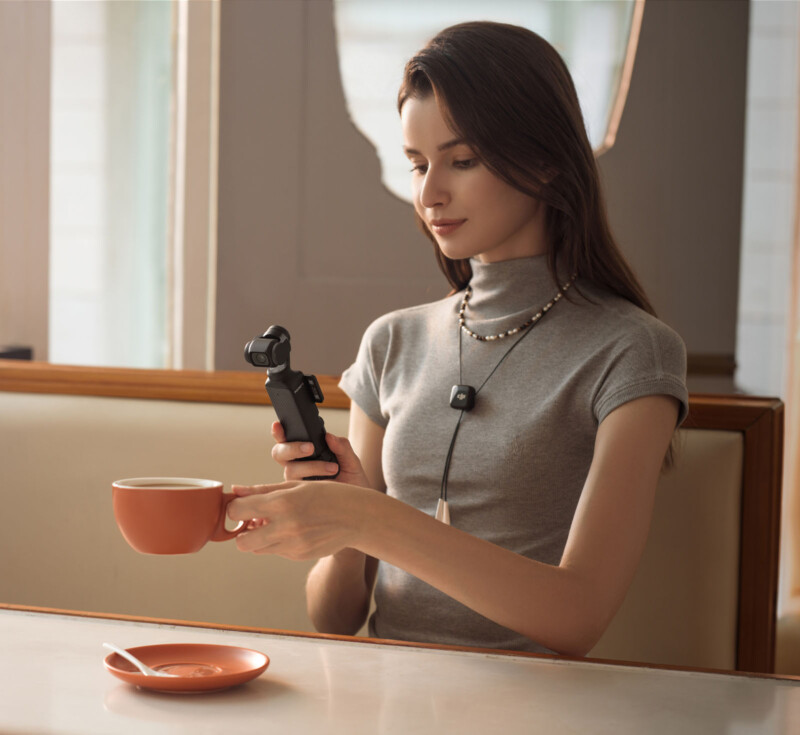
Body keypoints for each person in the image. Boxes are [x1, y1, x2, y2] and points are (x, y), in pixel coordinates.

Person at [227, 21, 688, 657]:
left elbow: (578, 615)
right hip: (389, 705)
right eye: (418, 164)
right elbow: (334, 618)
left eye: (462, 160)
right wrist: (343, 514)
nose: (430, 193)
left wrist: (372, 518)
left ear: (546, 159)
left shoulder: (633, 352)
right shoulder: (393, 342)